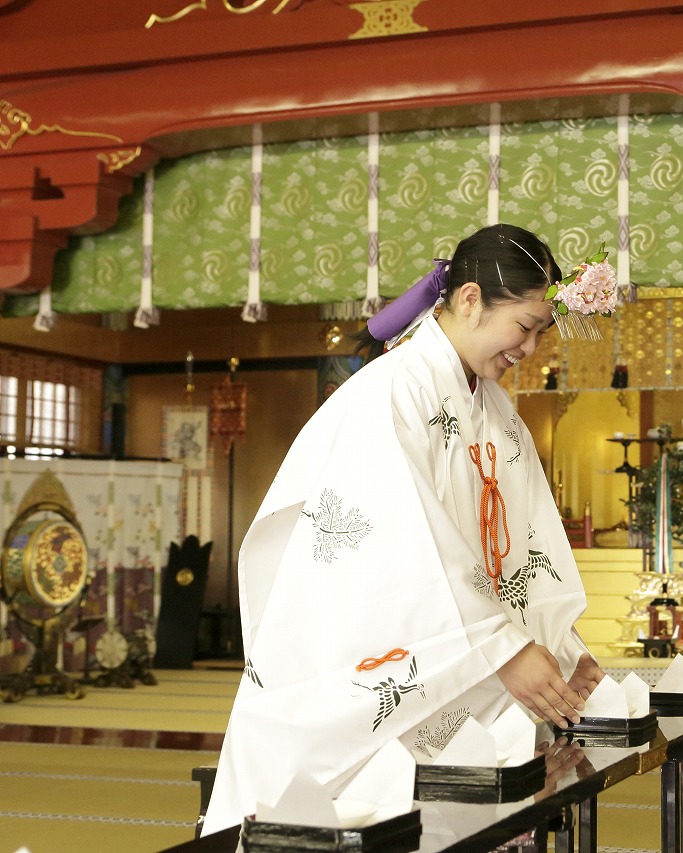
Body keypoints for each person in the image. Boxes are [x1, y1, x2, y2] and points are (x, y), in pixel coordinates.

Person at [203, 224, 610, 834]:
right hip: (373, 662)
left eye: (539, 333)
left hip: (464, 659)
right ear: (470, 300)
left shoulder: (495, 410)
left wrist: (559, 651)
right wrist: (504, 649)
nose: (529, 349)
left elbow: (529, 546)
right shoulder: (390, 395)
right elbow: (402, 552)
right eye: (524, 328)